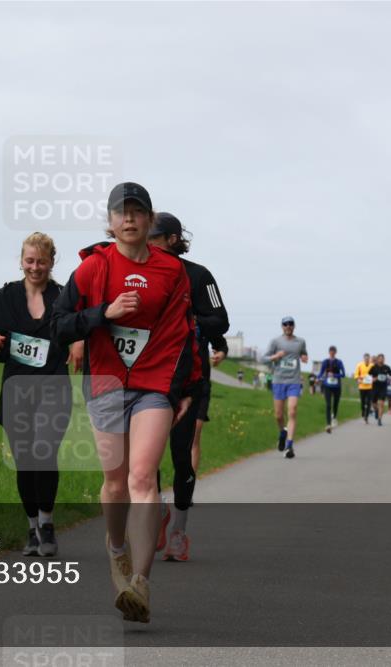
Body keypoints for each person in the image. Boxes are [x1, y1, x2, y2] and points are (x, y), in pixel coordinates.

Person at [52, 182, 197, 623]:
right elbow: (59, 326)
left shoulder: (172, 272)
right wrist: (104, 314)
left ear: (150, 220)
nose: (129, 219)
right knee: (115, 483)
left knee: (142, 477)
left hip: (154, 384)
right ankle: (117, 549)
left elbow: (183, 333)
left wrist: (185, 389)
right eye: (121, 212)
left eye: (138, 212)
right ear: (110, 221)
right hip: (106, 384)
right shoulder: (92, 269)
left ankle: (141, 583)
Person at [0, 232, 83, 558]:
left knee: (44, 451)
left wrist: (79, 341)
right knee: (24, 461)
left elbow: (81, 327)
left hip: (53, 387)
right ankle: (32, 527)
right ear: (21, 261)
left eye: (42, 262)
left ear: (52, 262)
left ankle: (48, 524)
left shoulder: (63, 297)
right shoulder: (3, 298)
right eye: (30, 261)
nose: (35, 267)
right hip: (17, 389)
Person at [148, 212, 230, 562]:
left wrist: (188, 318)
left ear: (172, 239)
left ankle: (179, 530)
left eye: (153, 237)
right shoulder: (139, 275)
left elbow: (220, 320)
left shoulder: (198, 275)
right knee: (145, 459)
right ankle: (156, 514)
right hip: (147, 376)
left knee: (181, 456)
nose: (145, 243)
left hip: (188, 377)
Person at [262, 316, 308, 459]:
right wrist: (275, 356)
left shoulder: (300, 342)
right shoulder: (276, 341)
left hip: (294, 381)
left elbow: (304, 353)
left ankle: (289, 445)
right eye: (285, 324)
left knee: (292, 411)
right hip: (278, 381)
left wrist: (304, 357)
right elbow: (263, 358)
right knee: (278, 415)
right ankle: (283, 432)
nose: (288, 326)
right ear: (282, 326)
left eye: (290, 324)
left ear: (294, 326)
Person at [317, 345, 346, 433]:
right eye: (331, 351)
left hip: (337, 386)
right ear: (329, 352)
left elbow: (343, 374)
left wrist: (335, 375)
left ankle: (334, 417)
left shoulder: (339, 362)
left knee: (335, 404)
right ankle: (328, 424)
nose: (332, 353)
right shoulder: (325, 362)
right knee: (328, 405)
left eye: (333, 351)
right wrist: (317, 378)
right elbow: (321, 372)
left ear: (335, 352)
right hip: (327, 386)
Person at [368, 353, 391, 426]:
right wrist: (373, 379)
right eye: (380, 358)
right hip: (375, 388)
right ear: (377, 359)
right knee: (373, 403)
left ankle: (379, 420)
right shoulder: (373, 367)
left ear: (384, 359)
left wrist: (389, 378)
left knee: (381, 404)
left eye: (382, 358)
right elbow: (368, 376)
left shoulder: (387, 367)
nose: (381, 359)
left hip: (383, 388)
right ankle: (376, 411)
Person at [354, 353, 375, 423]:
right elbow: (356, 375)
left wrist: (373, 378)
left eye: (368, 358)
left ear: (369, 359)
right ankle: (363, 411)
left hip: (370, 387)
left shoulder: (372, 365)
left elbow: (375, 374)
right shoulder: (359, 365)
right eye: (365, 358)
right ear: (363, 358)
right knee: (363, 402)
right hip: (362, 386)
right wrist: (359, 378)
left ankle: (366, 416)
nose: (367, 359)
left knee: (369, 402)